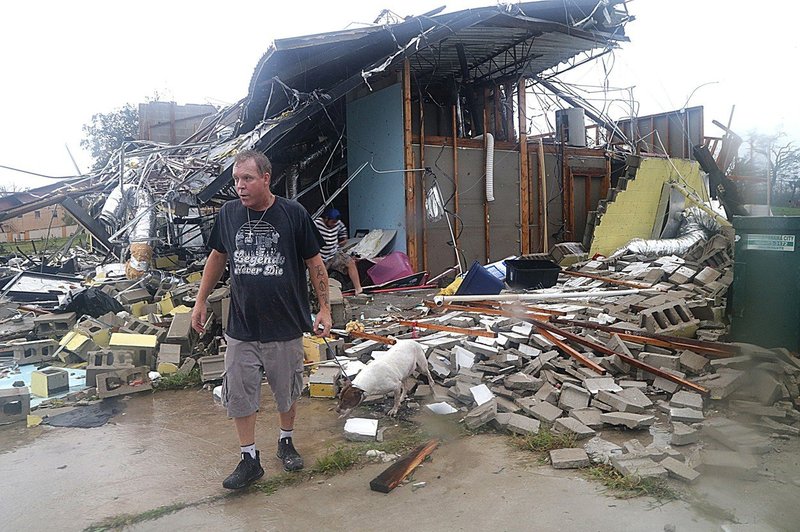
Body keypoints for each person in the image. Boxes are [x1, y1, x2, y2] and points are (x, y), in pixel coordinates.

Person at [191, 149, 332, 490]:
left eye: (248, 179)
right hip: (242, 325)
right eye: (236, 179)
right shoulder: (227, 214)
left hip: (284, 325)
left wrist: (324, 309)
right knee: (238, 392)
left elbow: (315, 264)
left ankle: (286, 440)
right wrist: (200, 300)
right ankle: (249, 458)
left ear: (266, 178)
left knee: (286, 391)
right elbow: (217, 257)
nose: (240, 186)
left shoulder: (293, 214)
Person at [314, 208, 363, 295]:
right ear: (326, 219)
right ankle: (320, 295)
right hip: (321, 256)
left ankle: (358, 289)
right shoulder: (316, 223)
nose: (334, 224)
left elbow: (343, 231)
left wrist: (344, 239)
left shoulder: (338, 223)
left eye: (336, 222)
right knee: (320, 275)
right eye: (332, 222)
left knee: (350, 262)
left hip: (333, 254)